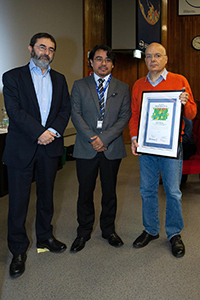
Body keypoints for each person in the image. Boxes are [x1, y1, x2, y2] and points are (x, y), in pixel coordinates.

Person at [2, 32, 71, 278]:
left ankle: (45, 238)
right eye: (42, 47)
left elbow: (65, 109)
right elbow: (15, 111)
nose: (46, 53)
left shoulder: (60, 79)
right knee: (18, 203)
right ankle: (18, 250)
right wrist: (39, 133)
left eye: (51, 49)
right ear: (31, 48)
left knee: (46, 198)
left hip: (49, 148)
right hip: (22, 148)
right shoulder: (12, 77)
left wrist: (51, 132)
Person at [129, 42, 197, 258]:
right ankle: (150, 230)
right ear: (145, 60)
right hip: (147, 146)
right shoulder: (139, 84)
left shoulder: (179, 81)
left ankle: (174, 234)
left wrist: (186, 103)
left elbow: (192, 114)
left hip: (170, 146)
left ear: (166, 59)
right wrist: (133, 138)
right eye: (148, 56)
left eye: (158, 55)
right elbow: (134, 116)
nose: (153, 60)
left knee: (173, 192)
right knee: (147, 190)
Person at [70, 45, 131, 252]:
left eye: (107, 59)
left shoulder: (123, 88)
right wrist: (93, 138)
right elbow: (75, 114)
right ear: (91, 62)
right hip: (85, 147)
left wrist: (104, 139)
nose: (103, 63)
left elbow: (124, 118)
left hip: (111, 148)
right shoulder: (79, 85)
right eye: (98, 59)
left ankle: (108, 230)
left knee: (109, 192)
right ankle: (83, 231)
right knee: (85, 192)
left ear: (113, 64)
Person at [181, 116, 197, 183]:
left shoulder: (187, 119)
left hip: (189, 145)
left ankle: (181, 179)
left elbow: (187, 138)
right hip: (185, 144)